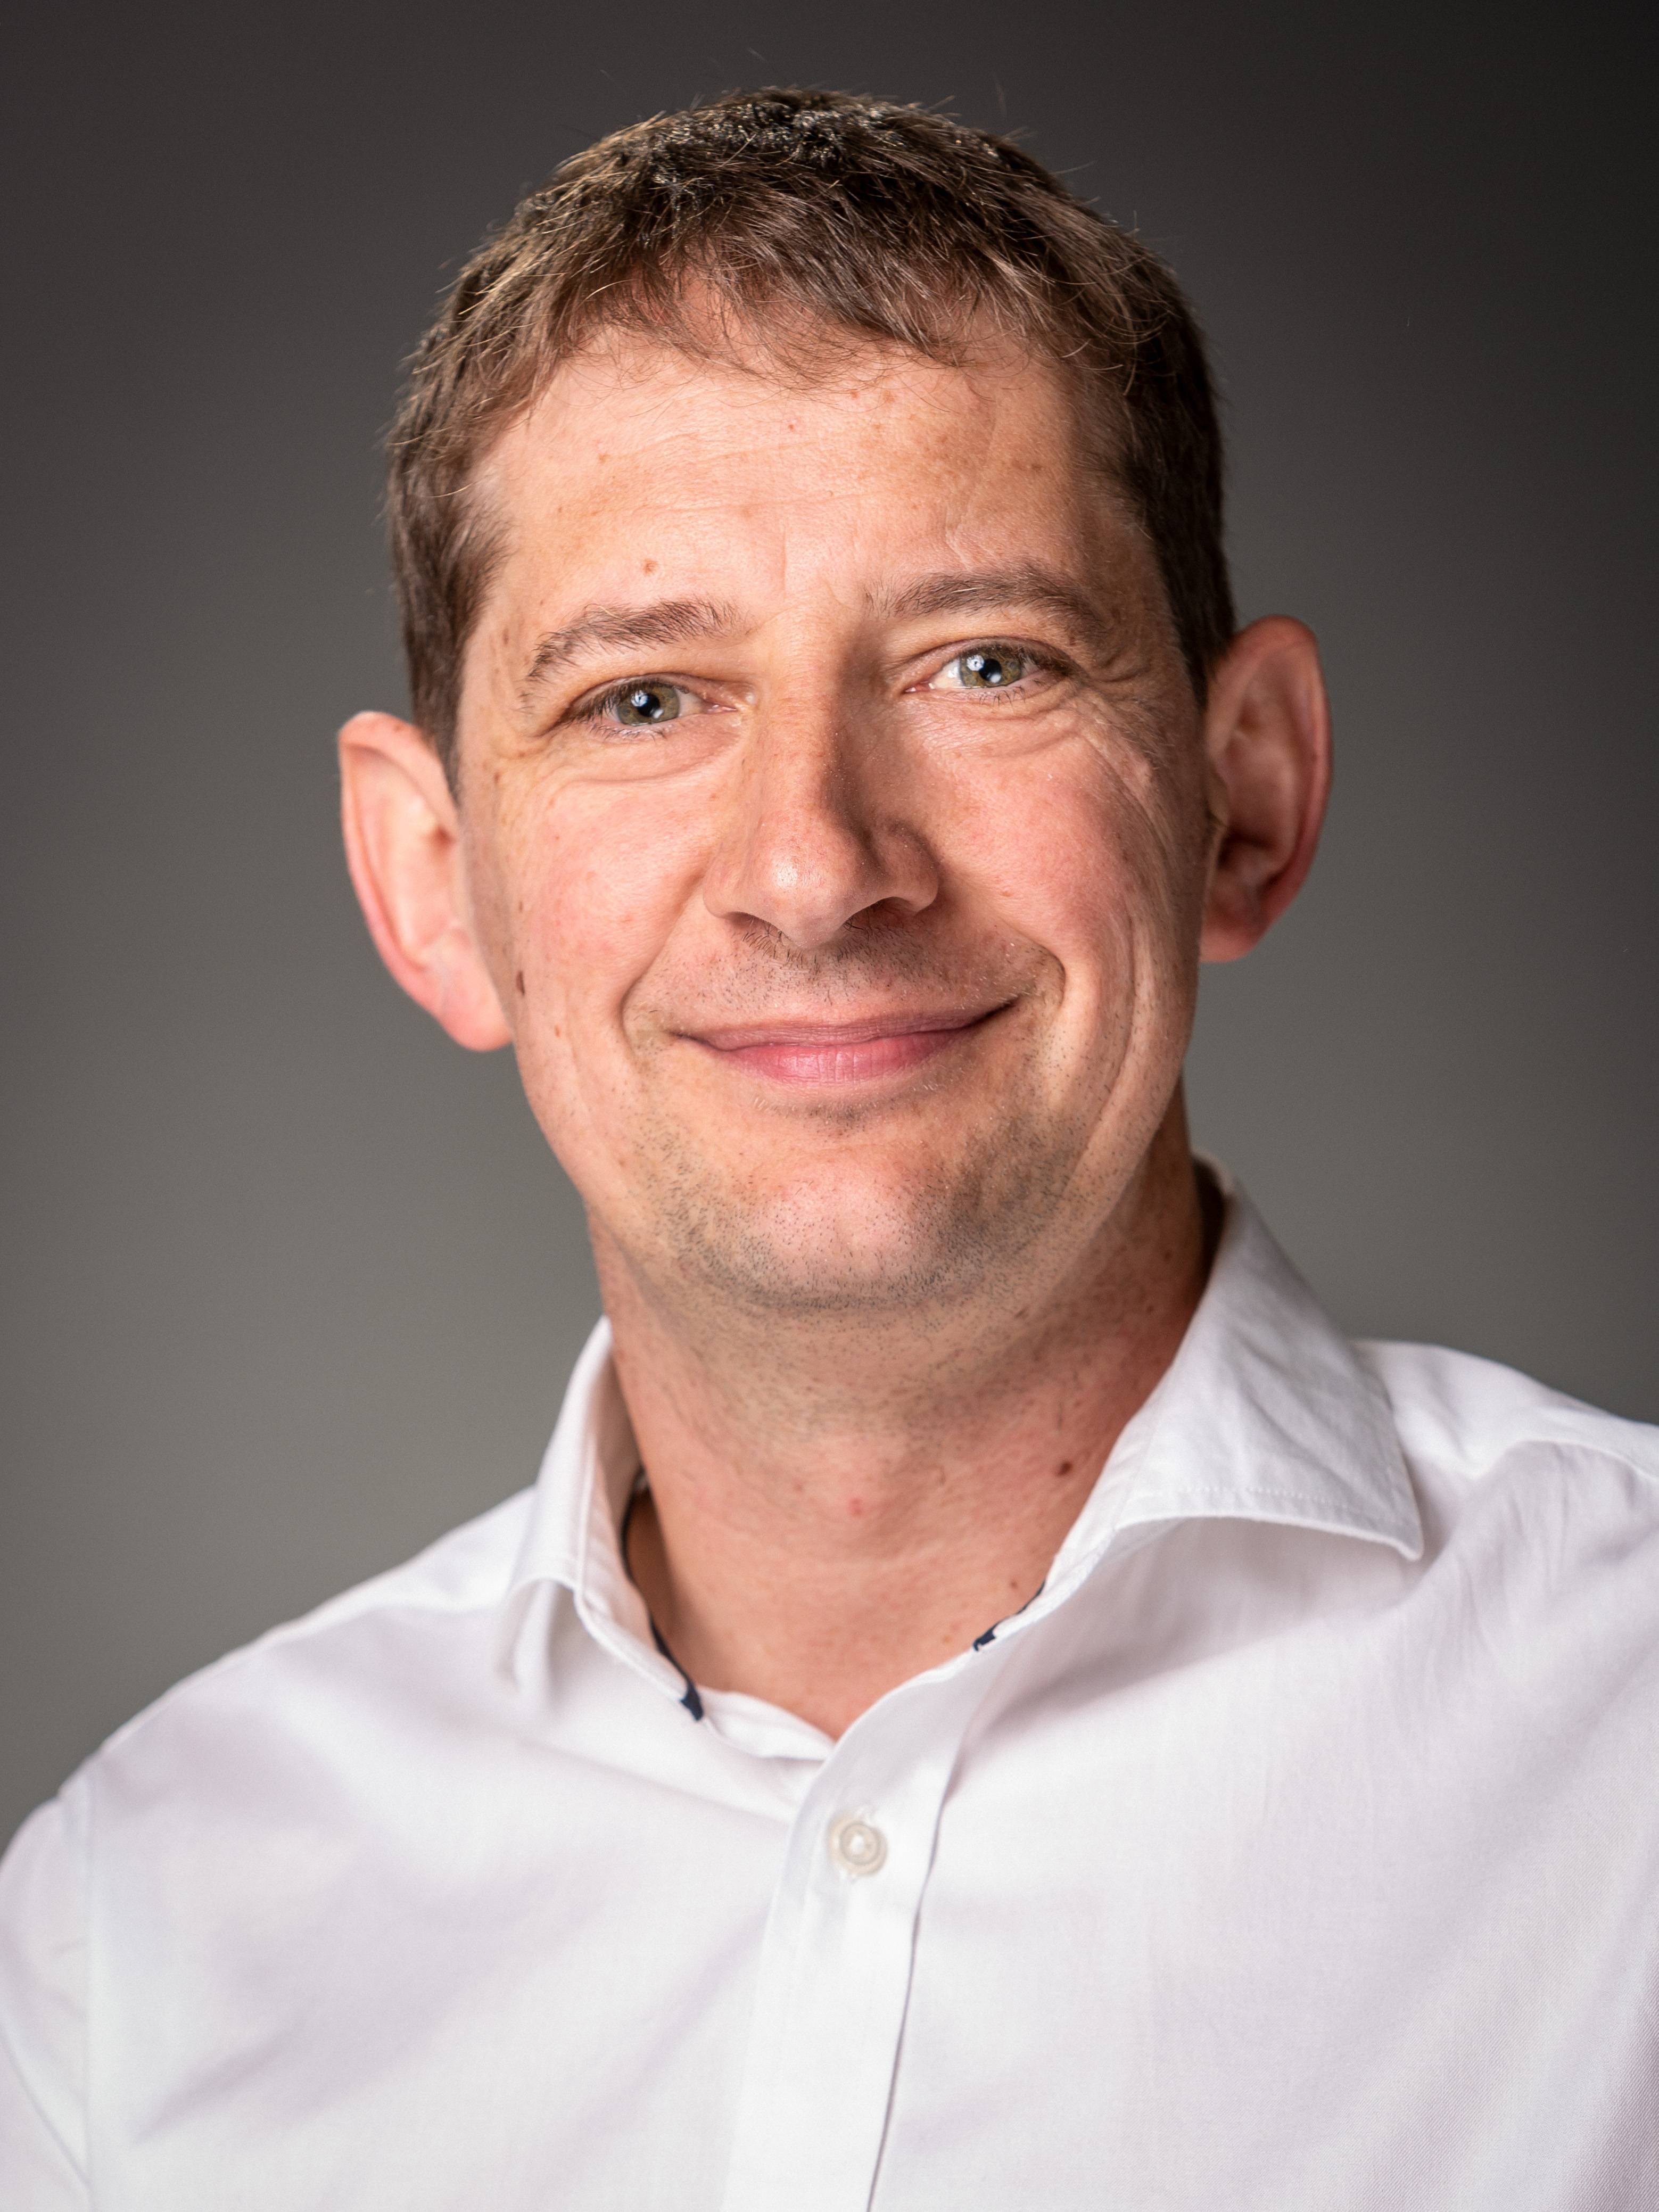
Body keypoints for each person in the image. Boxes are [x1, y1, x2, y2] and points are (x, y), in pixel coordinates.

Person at [1, 85, 1655, 2212]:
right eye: (644, 698)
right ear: (432, 884)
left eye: (986, 661)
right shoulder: (124, 1954)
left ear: (1242, 792)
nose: (815, 865)